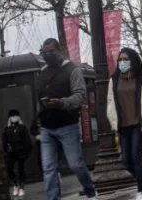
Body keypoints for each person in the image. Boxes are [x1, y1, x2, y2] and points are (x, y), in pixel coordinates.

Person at [36, 38, 97, 200]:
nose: (48, 55)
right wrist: (39, 120)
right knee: (49, 168)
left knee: (75, 164)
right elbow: (38, 99)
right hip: (47, 127)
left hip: (67, 126)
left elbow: (79, 96)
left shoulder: (72, 70)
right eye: (45, 52)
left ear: (60, 51)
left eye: (51, 51)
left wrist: (61, 103)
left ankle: (90, 191)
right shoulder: (42, 73)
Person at [107, 48, 142, 200]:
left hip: (139, 123)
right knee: (126, 161)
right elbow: (110, 101)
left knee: (136, 156)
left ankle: (140, 191)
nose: (122, 62)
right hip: (123, 125)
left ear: (132, 61)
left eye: (125, 59)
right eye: (120, 60)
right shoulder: (114, 80)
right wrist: (112, 119)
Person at [2, 109, 33, 197]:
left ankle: (21, 187)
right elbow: (4, 141)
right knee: (9, 168)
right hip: (11, 152)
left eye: (16, 115)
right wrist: (5, 150)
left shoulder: (22, 128)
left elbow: (27, 141)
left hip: (21, 151)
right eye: (12, 116)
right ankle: (15, 184)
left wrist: (26, 152)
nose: (14, 117)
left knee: (20, 169)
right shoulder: (7, 129)